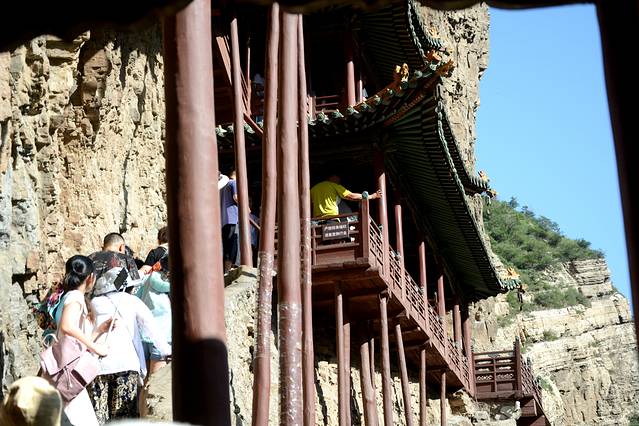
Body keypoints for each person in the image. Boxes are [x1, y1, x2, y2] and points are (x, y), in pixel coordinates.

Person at [89, 267, 171, 424]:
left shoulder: (94, 303)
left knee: (98, 417)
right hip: (126, 365)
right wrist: (167, 350)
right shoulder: (132, 301)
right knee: (124, 418)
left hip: (98, 366)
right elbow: (152, 329)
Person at [54, 255, 113, 426]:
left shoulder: (67, 296)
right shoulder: (76, 297)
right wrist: (95, 347)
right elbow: (67, 326)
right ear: (90, 277)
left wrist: (99, 330)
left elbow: (72, 338)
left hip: (64, 368)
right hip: (69, 371)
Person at [310, 172, 382, 220]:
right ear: (332, 177)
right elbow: (352, 196)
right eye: (338, 178)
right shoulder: (333, 185)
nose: (339, 181)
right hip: (331, 218)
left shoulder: (313, 189)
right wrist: (372, 196)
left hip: (317, 220)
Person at [220, 170, 239, 272]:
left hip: (223, 220)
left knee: (225, 245)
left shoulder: (222, 186)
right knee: (231, 246)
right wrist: (246, 207)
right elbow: (236, 197)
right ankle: (227, 271)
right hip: (232, 218)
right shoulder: (233, 183)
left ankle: (224, 270)